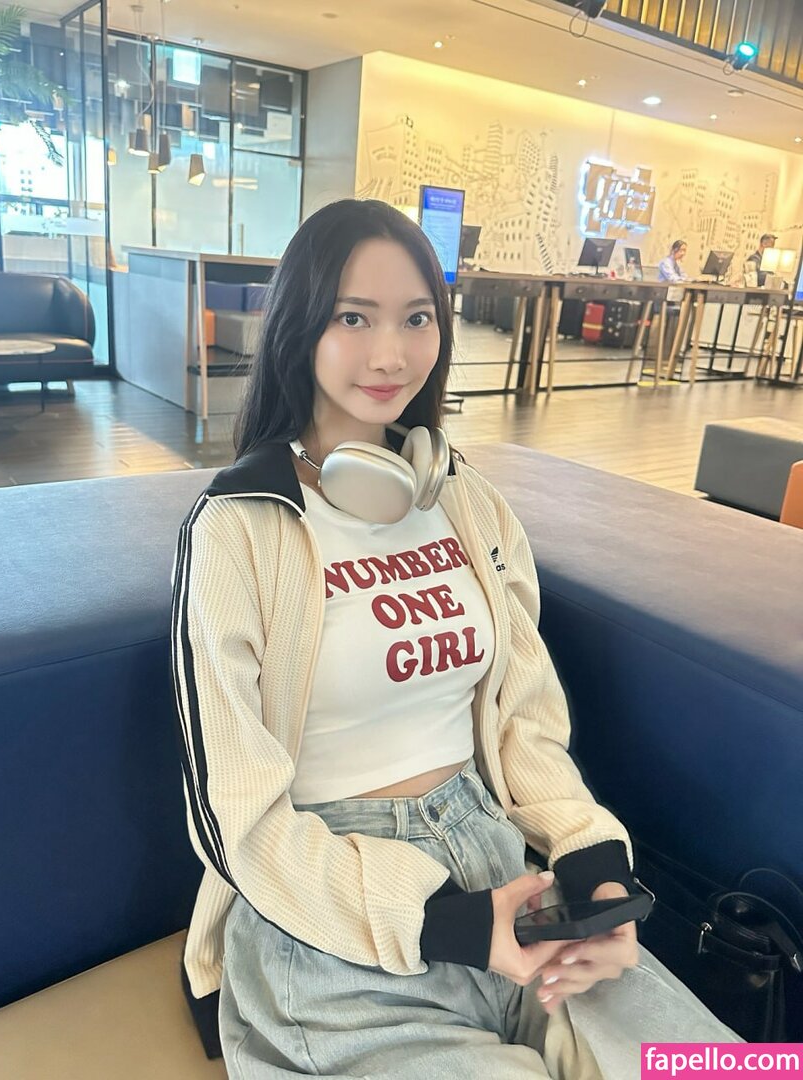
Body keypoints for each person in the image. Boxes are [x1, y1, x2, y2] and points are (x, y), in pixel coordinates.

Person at [171, 199, 740, 1078]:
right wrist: (447, 923)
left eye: (417, 318)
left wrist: (593, 865)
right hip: (332, 929)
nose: (391, 354)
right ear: (298, 324)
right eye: (352, 317)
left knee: (723, 1066)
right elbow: (234, 817)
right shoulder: (238, 529)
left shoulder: (465, 501)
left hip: (503, 874)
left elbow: (523, 720)